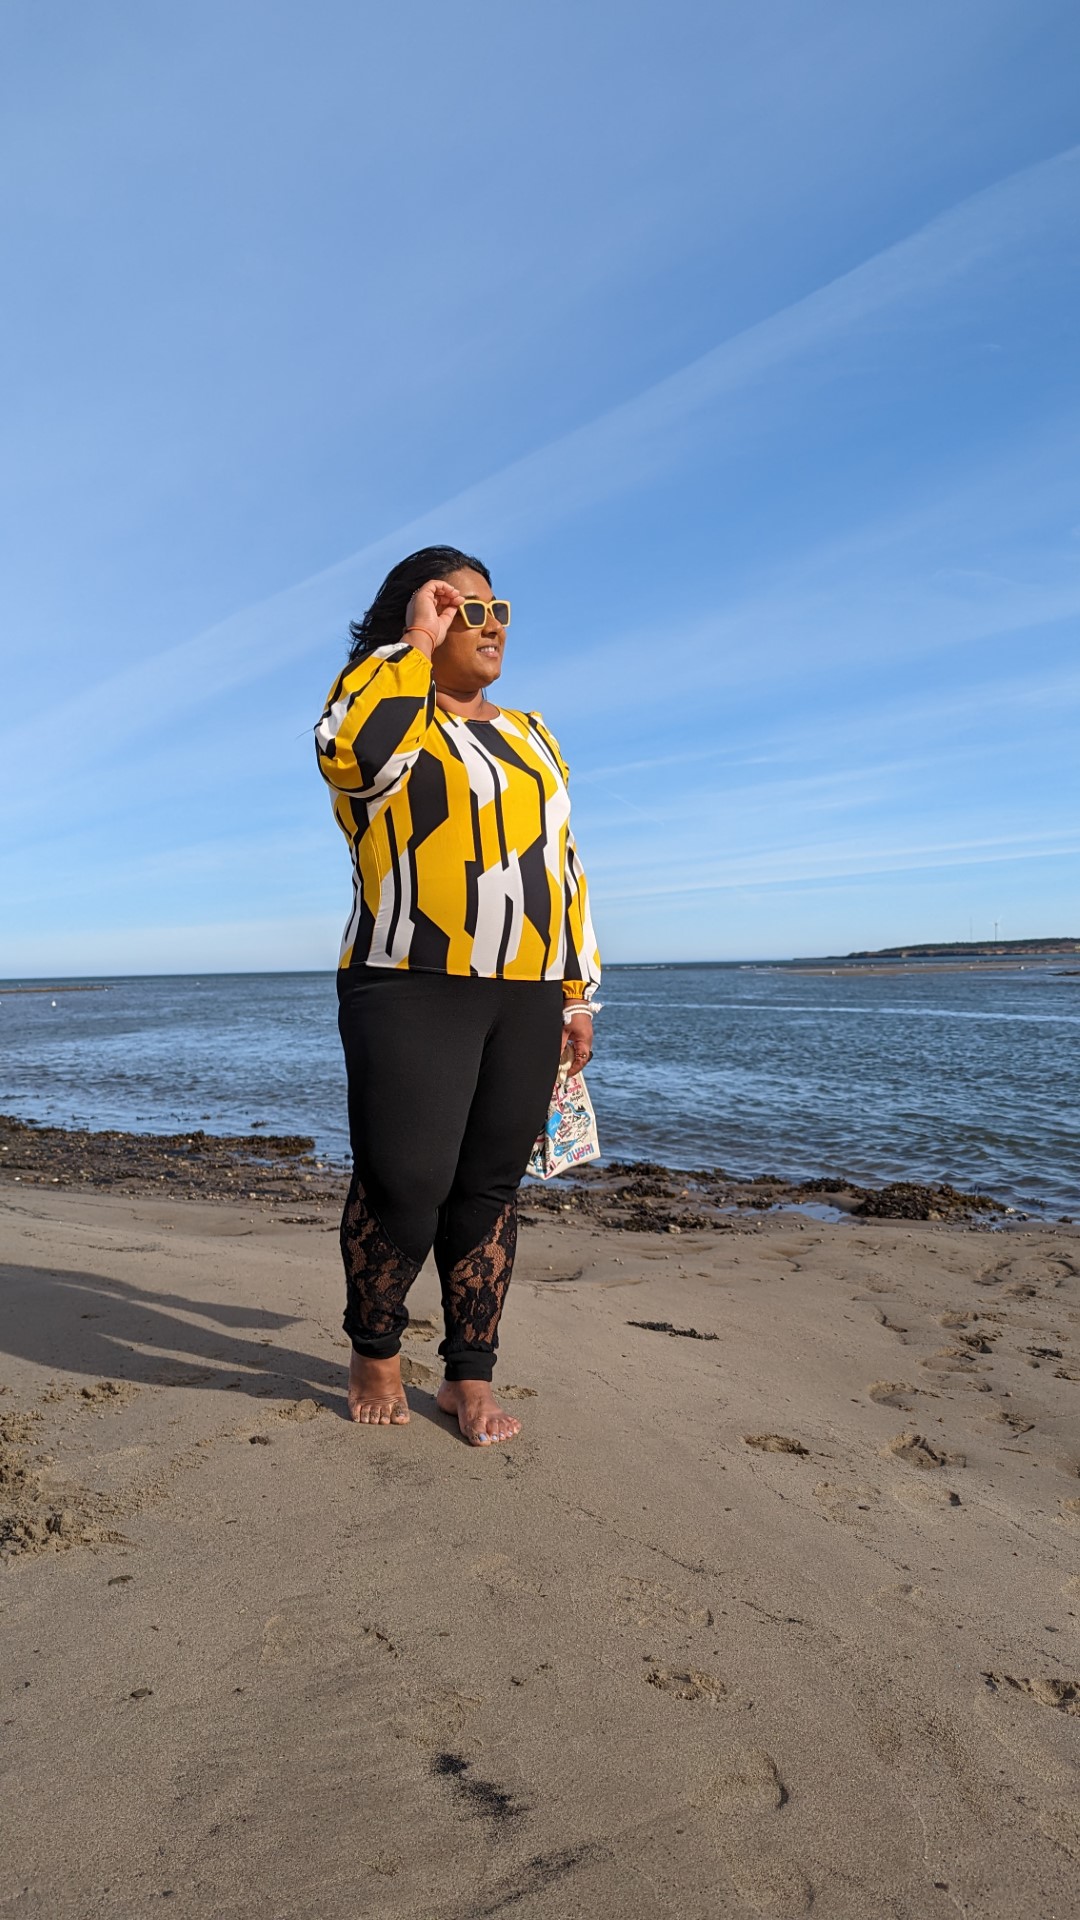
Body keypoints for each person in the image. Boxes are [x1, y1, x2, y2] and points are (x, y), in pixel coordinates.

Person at [315, 545, 601, 1446]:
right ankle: (375, 1347)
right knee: (408, 1180)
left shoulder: (534, 734)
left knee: (485, 1187)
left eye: (497, 608)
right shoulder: (382, 711)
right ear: (420, 616)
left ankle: (468, 1376)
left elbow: (564, 865)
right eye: (461, 607)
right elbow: (351, 758)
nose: (490, 624)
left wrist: (578, 991)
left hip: (525, 990)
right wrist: (409, 646)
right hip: (405, 979)